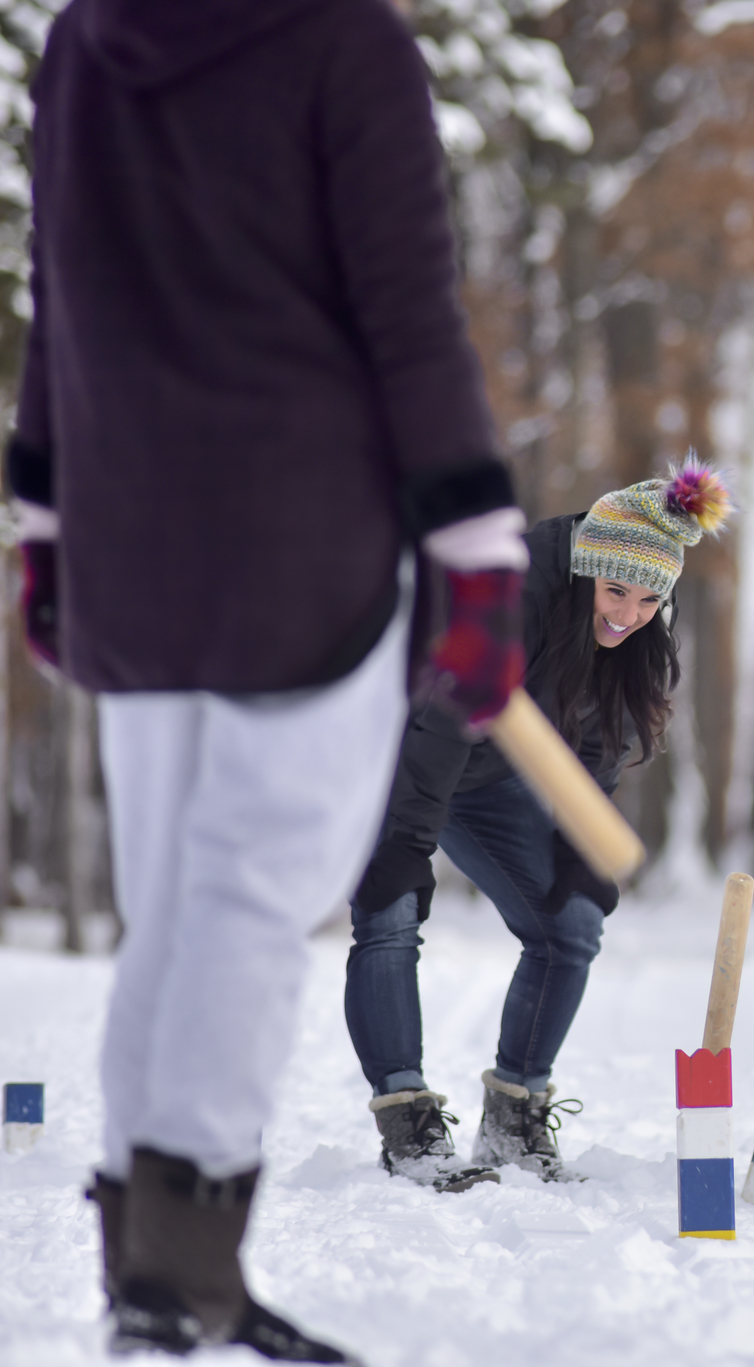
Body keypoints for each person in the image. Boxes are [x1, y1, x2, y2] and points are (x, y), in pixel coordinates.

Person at [8, 0, 531, 1360]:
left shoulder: (84, 37)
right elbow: (407, 310)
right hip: (300, 541)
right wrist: (478, 555)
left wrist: (50, 524)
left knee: (178, 899)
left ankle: (155, 1266)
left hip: (131, 535)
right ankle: (184, 1271)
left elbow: (59, 288)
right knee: (247, 893)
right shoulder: (341, 39)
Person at [347, 469, 727, 1190]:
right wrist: (408, 843)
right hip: (390, 748)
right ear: (588, 569)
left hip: (487, 772)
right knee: (389, 912)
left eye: (651, 600)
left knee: (571, 923)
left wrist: (583, 835)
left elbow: (603, 730)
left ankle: (513, 1121)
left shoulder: (633, 613)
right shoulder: (509, 592)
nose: (629, 614)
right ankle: (409, 1128)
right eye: (617, 594)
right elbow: (441, 718)